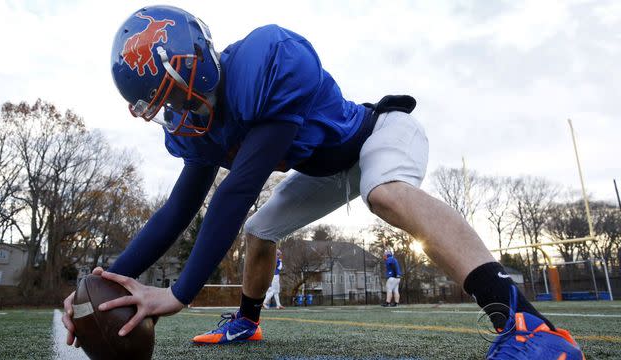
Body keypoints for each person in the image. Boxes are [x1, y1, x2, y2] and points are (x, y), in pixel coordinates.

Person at [61, 5, 584, 359]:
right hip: (327, 170)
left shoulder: (266, 59)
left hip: (377, 133)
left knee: (383, 193)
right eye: (161, 107)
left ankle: (528, 325)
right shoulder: (201, 125)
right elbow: (177, 209)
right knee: (261, 232)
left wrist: (179, 293)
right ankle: (247, 319)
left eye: (172, 96)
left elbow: (237, 190)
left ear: (191, 66)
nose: (173, 114)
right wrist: (103, 281)